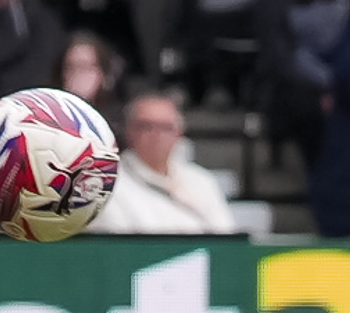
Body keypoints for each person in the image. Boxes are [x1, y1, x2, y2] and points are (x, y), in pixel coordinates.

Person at [91, 91, 241, 236]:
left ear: (179, 133)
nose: (157, 135)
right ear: (129, 131)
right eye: (146, 126)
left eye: (166, 128)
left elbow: (226, 237)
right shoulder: (108, 185)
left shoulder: (202, 181)